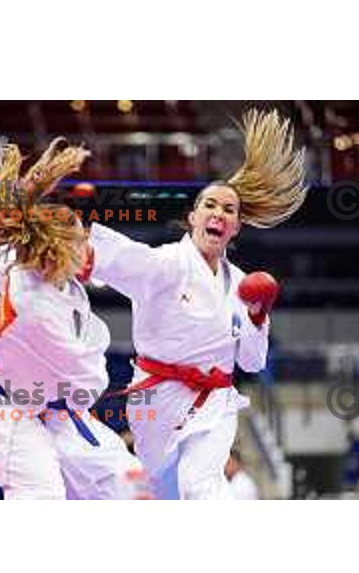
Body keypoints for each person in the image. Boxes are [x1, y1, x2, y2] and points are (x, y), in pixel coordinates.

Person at [86, 109, 307, 499]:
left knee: (199, 485)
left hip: (215, 401)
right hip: (155, 398)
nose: (219, 213)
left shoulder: (241, 284)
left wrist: (257, 317)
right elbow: (123, 257)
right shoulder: (166, 264)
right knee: (163, 491)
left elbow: (252, 363)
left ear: (236, 226)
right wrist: (77, 244)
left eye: (229, 209)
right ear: (193, 217)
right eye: (210, 205)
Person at [0, 139, 143, 500]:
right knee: (42, 496)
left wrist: (16, 201)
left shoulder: (22, 269)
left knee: (133, 485)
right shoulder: (35, 306)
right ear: (58, 251)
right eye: (82, 242)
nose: (89, 250)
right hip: (10, 411)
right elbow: (89, 381)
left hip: (56, 411)